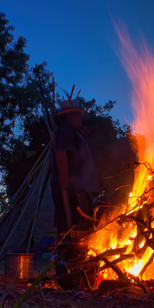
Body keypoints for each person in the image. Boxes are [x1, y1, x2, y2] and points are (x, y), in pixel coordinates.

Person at [51, 99, 101, 237]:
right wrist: (64, 176)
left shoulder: (73, 132)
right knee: (71, 223)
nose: (80, 119)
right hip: (71, 188)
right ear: (70, 116)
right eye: (78, 116)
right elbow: (62, 152)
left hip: (77, 186)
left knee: (77, 222)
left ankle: (74, 253)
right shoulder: (65, 129)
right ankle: (69, 254)